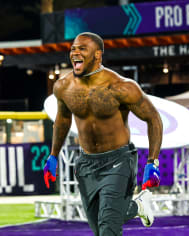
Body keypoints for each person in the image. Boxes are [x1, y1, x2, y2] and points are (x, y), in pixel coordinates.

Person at [43, 32, 163, 236]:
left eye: (82, 49)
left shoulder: (121, 87)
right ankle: (138, 206)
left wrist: (152, 162)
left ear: (97, 55)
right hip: (87, 163)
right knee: (100, 228)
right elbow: (63, 120)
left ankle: (134, 206)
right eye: (73, 48)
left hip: (119, 160)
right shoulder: (63, 86)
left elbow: (153, 119)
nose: (75, 52)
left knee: (108, 227)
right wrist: (53, 156)